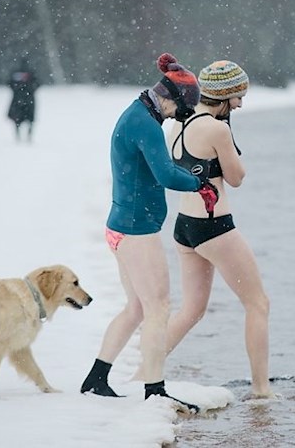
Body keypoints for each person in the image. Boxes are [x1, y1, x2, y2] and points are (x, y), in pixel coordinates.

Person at [80, 53, 218, 414]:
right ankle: (155, 391)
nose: (178, 116)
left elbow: (157, 165)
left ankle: (96, 379)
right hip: (137, 232)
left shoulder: (136, 114)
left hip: (119, 227)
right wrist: (199, 182)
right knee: (158, 307)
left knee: (137, 307)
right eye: (180, 110)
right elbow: (167, 175)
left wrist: (186, 175)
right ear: (170, 97)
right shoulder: (144, 123)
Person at [166, 60, 273, 398]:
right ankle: (261, 391)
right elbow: (237, 178)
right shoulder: (217, 129)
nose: (240, 104)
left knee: (191, 310)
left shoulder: (178, 124)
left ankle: (143, 369)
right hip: (215, 227)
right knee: (258, 304)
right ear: (224, 96)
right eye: (238, 97)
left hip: (184, 226)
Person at [6, 58, 39, 141]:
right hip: (26, 100)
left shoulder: (18, 74)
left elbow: (9, 84)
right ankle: (25, 135)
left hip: (20, 99)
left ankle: (21, 136)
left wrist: (19, 87)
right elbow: (37, 84)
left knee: (19, 120)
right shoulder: (30, 73)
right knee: (28, 120)